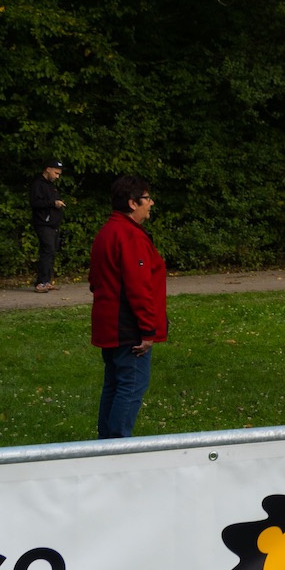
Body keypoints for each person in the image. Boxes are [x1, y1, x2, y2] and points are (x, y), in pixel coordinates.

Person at [89, 175, 167, 438]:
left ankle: (105, 445)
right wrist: (148, 330)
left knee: (114, 384)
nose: (151, 203)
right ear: (133, 203)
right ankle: (118, 447)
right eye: (147, 198)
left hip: (112, 326)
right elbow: (139, 287)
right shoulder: (129, 236)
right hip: (128, 328)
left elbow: (94, 281)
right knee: (131, 386)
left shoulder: (107, 231)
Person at [30, 159, 65, 291]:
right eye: (56, 173)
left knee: (52, 251)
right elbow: (35, 203)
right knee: (47, 250)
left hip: (53, 224)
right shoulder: (38, 184)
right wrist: (53, 203)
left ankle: (47, 280)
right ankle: (41, 282)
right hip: (43, 223)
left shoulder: (51, 186)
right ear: (48, 169)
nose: (57, 176)